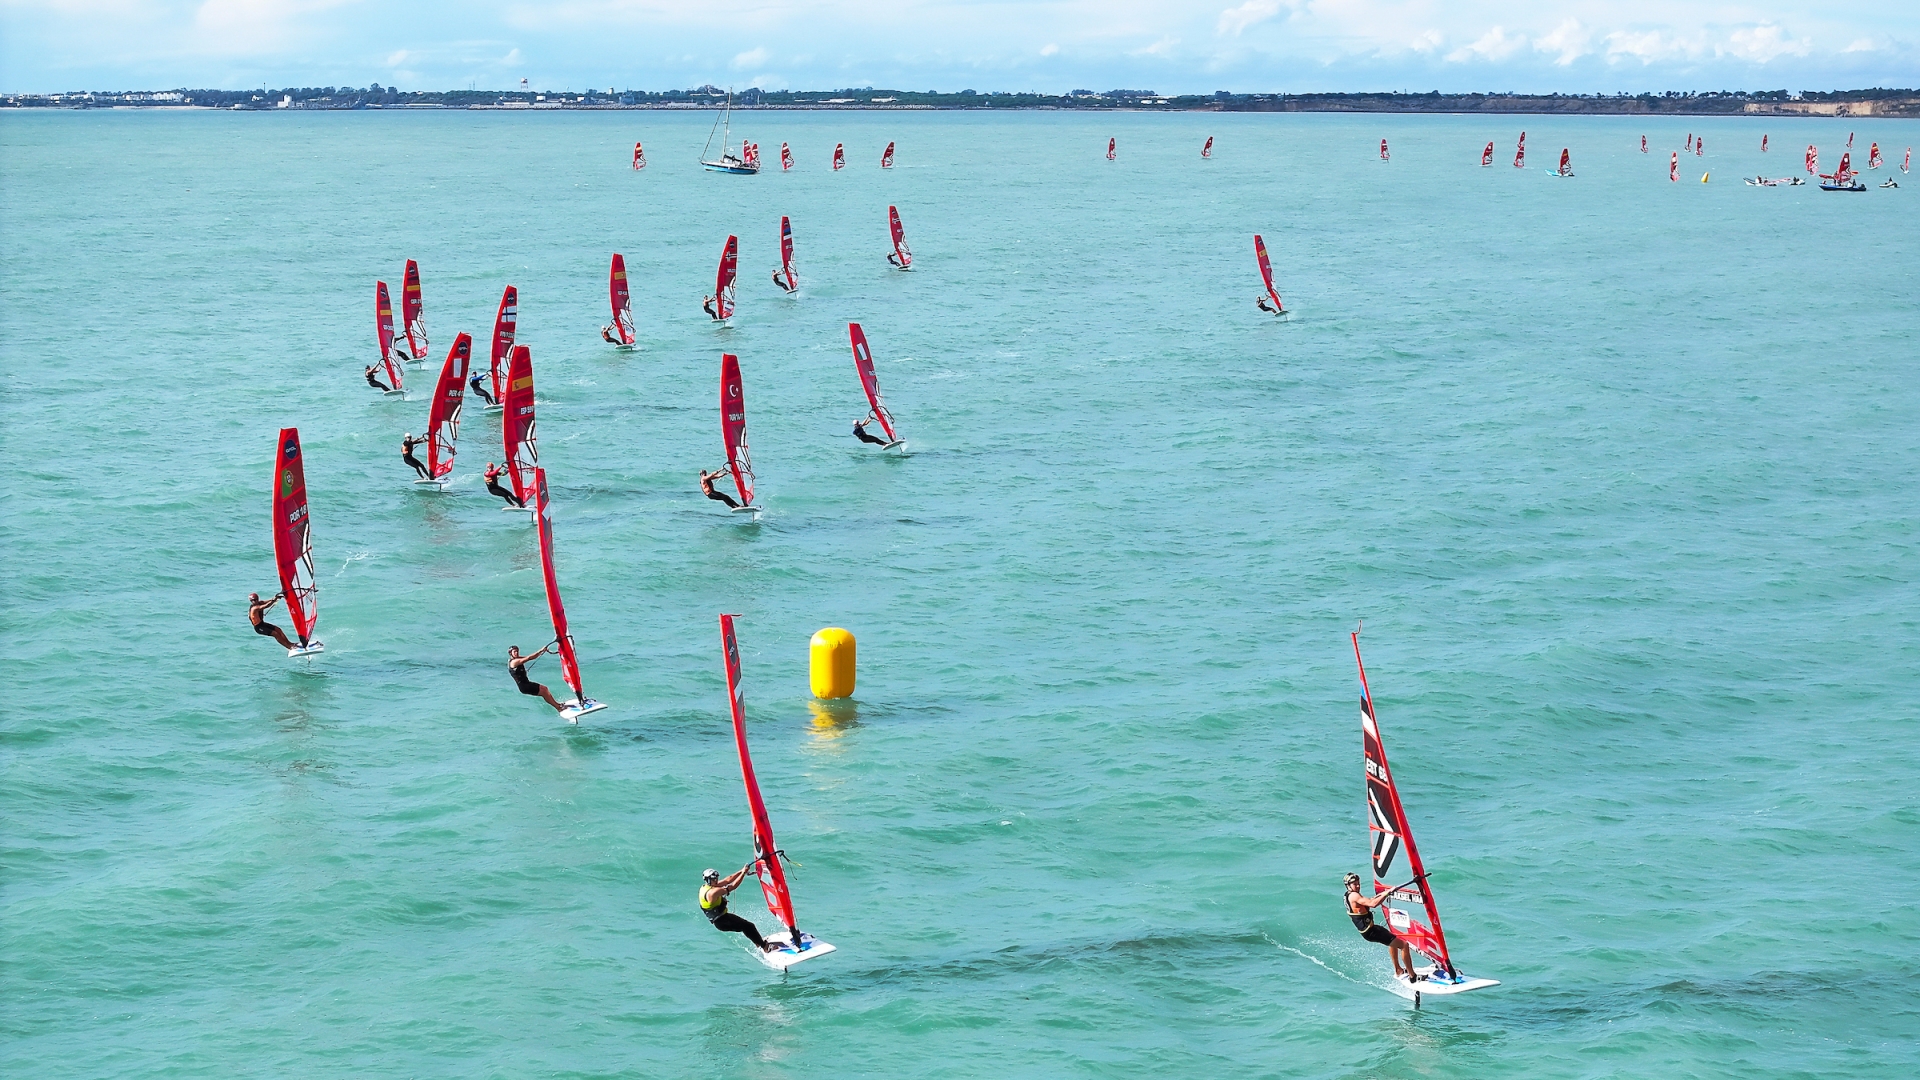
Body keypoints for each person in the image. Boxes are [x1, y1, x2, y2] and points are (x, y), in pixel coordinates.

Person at [1345, 872, 1418, 980]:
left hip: (1369, 930)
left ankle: (1398, 970)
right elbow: (1373, 904)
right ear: (1348, 886)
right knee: (1404, 945)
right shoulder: (1354, 895)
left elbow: (1368, 901)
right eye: (1355, 884)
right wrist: (1387, 894)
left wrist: (1384, 893)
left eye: (1358, 883)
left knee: (1392, 939)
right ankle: (1413, 976)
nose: (1358, 886)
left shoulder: (1348, 895)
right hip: (1371, 932)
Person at [700, 866, 778, 951]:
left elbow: (727, 880)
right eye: (713, 879)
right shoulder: (712, 892)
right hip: (722, 922)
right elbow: (733, 886)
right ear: (708, 880)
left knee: (747, 926)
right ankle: (765, 947)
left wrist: (741, 871)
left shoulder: (706, 887)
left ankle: (758, 942)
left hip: (723, 918)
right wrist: (743, 873)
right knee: (748, 926)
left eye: (716, 878)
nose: (716, 881)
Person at [507, 644, 566, 713]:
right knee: (544, 691)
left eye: (517, 651)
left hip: (526, 684)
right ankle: (558, 708)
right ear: (510, 653)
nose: (516, 653)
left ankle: (558, 705)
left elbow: (531, 657)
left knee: (545, 689)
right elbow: (529, 658)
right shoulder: (514, 662)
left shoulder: (516, 659)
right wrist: (541, 650)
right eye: (514, 651)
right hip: (524, 686)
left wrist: (542, 652)